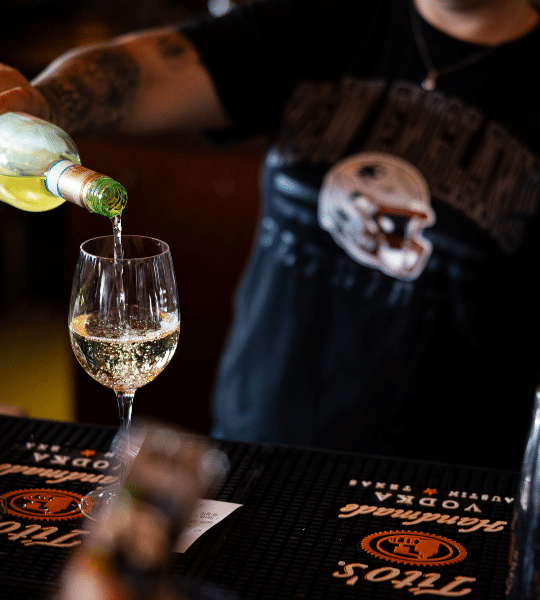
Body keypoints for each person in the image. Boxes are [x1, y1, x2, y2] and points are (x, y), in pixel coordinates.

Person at [1, 0, 539, 469]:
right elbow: (154, 67)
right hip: (255, 442)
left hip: (440, 481)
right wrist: (43, 104)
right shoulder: (328, 19)